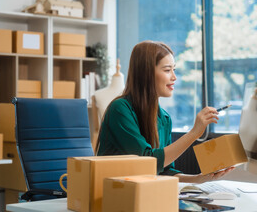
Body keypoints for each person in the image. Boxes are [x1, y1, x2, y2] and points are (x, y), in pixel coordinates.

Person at [97, 40, 233, 183]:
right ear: (146, 73)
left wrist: (199, 178)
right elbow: (148, 163)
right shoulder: (120, 109)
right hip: (112, 195)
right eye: (167, 70)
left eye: (174, 70)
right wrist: (194, 133)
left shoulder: (164, 118)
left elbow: (165, 171)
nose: (174, 77)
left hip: (142, 193)